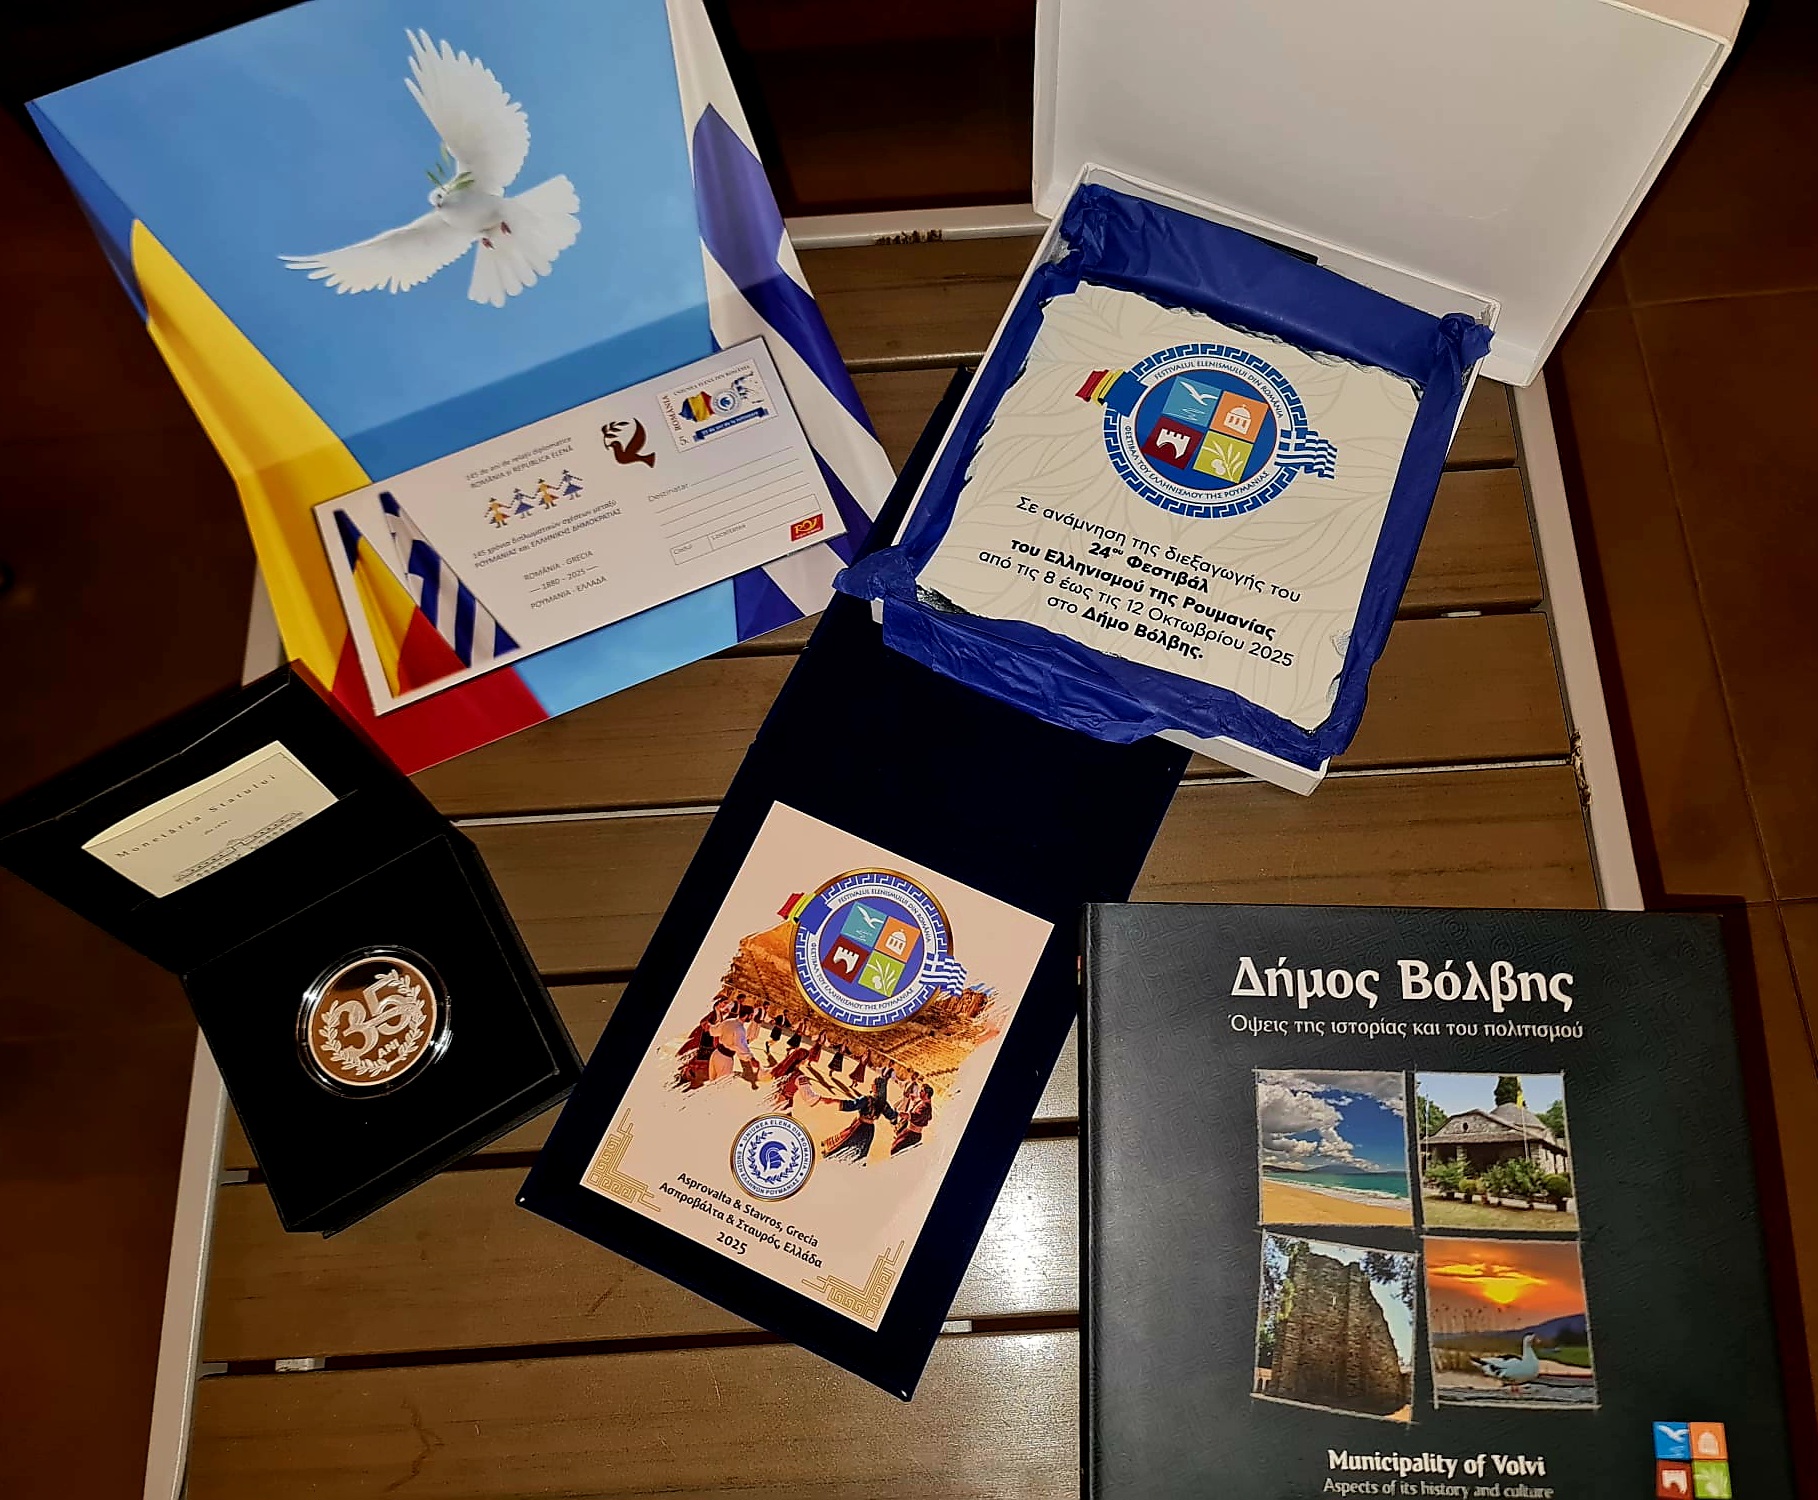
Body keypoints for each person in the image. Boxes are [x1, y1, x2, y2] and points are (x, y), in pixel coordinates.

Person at [821, 1074, 898, 1164]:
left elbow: (852, 1104)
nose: (871, 1085)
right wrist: (895, 1118)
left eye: (873, 1084)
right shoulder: (884, 1104)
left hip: (859, 1126)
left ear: (877, 1087)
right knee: (860, 1149)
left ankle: (833, 1157)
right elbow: (892, 1116)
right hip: (870, 1130)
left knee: (846, 1141)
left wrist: (833, 1100)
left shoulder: (867, 1099)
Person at [890, 1080, 934, 1155]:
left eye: (922, 1091)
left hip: (913, 1135)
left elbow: (916, 1116)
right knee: (894, 1147)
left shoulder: (926, 1107)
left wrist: (905, 1115)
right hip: (909, 1131)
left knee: (895, 1150)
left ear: (926, 1094)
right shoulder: (923, 1102)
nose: (919, 1092)